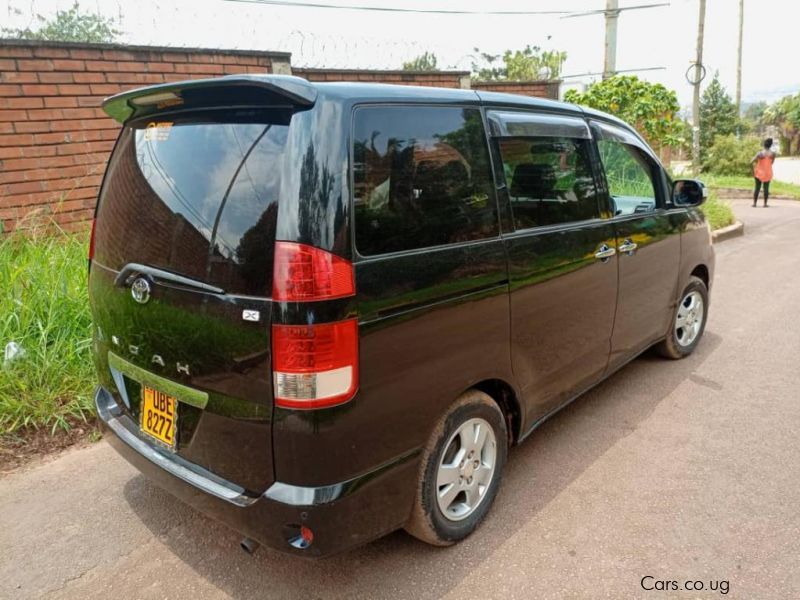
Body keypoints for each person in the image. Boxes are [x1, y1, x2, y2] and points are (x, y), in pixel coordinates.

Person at [751, 138, 776, 207]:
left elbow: (751, 161)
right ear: (770, 145)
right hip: (768, 172)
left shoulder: (760, 153)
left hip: (759, 172)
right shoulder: (773, 154)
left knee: (757, 188)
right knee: (766, 188)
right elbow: (772, 163)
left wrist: (752, 171)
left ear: (764, 145)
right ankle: (765, 204)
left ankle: (754, 203)